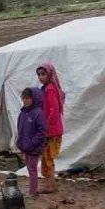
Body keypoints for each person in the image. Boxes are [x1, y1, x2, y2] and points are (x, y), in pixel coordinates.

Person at [36, 62, 65, 193]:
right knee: (47, 157)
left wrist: (46, 125)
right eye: (39, 75)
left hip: (51, 130)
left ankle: (50, 186)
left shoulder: (50, 89)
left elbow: (53, 110)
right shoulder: (48, 88)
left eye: (43, 74)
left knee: (47, 157)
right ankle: (50, 184)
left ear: (49, 74)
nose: (40, 77)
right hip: (52, 129)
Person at [15, 87, 46, 196]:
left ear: (34, 98)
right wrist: (20, 143)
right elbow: (21, 129)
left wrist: (33, 143)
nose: (25, 101)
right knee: (29, 168)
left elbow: (42, 131)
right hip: (26, 146)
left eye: (28, 98)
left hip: (34, 147)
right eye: (23, 98)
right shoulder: (23, 113)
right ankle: (33, 189)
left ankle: (33, 191)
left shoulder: (38, 113)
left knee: (32, 169)